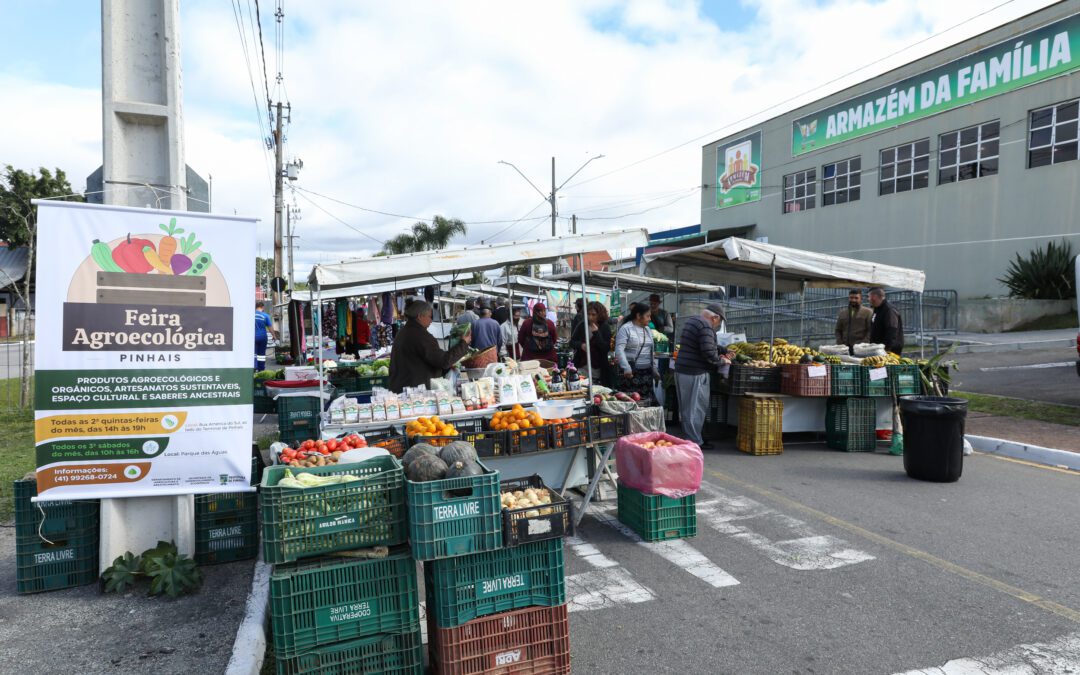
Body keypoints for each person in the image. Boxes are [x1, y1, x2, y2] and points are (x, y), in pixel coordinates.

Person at [388, 301, 472, 392]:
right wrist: (464, 343)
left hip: (403, 386)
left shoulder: (404, 331)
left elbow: (430, 360)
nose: (431, 321)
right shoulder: (419, 335)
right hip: (414, 390)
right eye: (430, 317)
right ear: (420, 316)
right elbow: (443, 361)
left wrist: (446, 367)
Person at [674, 305, 725, 450]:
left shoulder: (693, 321)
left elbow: (704, 344)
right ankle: (695, 442)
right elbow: (708, 352)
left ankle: (693, 438)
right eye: (719, 322)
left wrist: (723, 349)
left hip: (683, 370)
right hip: (694, 372)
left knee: (688, 408)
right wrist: (722, 361)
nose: (717, 325)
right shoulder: (705, 326)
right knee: (695, 409)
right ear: (714, 318)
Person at [615, 302, 659, 403]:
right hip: (631, 373)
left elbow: (651, 351)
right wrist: (626, 367)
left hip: (646, 374)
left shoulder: (647, 330)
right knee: (632, 402)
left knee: (648, 403)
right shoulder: (626, 328)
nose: (650, 319)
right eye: (647, 316)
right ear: (638, 316)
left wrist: (654, 368)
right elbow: (619, 349)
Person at [569, 301, 612, 384]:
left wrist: (596, 333)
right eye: (588, 314)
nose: (590, 317)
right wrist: (581, 345)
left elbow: (605, 348)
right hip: (582, 366)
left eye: (593, 314)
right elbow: (572, 342)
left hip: (598, 368)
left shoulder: (604, 327)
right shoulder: (582, 325)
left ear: (599, 315)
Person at [835, 289, 873, 355]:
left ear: (861, 299)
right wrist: (840, 343)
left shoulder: (868, 312)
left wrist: (863, 344)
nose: (853, 300)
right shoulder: (842, 313)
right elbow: (838, 330)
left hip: (861, 348)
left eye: (856, 298)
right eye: (851, 298)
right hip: (844, 348)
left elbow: (871, 330)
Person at [868, 287, 904, 355]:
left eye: (869, 297)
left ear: (874, 297)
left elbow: (892, 330)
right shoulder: (877, 309)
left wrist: (886, 348)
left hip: (889, 349)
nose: (868, 299)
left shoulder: (889, 310)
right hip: (878, 348)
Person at [254, 301, 275, 371]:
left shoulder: (250, 315)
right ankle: (261, 370)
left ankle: (254, 368)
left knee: (254, 354)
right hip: (263, 337)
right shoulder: (266, 316)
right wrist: (274, 336)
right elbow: (270, 327)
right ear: (262, 307)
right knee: (261, 355)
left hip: (252, 338)